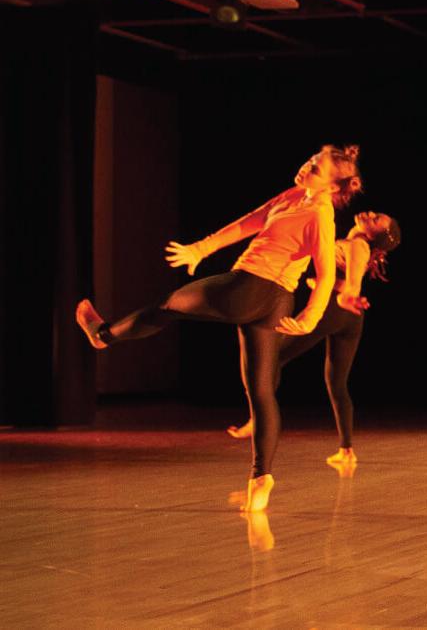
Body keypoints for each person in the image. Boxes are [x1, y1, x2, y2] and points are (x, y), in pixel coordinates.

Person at [76, 145, 363, 511]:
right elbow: (250, 221)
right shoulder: (294, 195)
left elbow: (324, 275)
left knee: (167, 306)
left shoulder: (321, 216)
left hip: (253, 289)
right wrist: (201, 249)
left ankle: (103, 336)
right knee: (259, 391)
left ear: (333, 188)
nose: (306, 166)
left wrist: (310, 316)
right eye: (310, 160)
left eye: (316, 168)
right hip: (270, 302)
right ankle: (261, 479)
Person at [226, 212, 402, 474]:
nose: (370, 214)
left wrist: (346, 295)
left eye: (376, 220)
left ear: (373, 234)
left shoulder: (357, 246)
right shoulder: (356, 245)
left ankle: (257, 417)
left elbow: (352, 284)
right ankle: (346, 450)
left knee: (271, 356)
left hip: (332, 309)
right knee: (337, 382)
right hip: (352, 319)